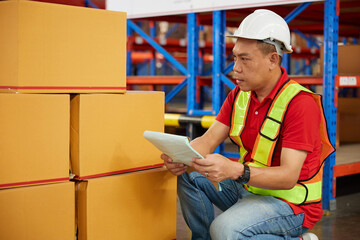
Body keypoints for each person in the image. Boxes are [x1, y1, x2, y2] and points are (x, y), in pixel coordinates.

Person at [161, 9, 334, 240]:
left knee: (225, 230)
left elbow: (288, 176)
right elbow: (208, 140)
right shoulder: (239, 96)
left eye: (245, 59)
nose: (236, 68)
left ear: (273, 59)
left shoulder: (299, 104)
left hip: (291, 204)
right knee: (189, 176)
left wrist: (234, 170)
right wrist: (180, 157)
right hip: (249, 188)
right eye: (235, 57)